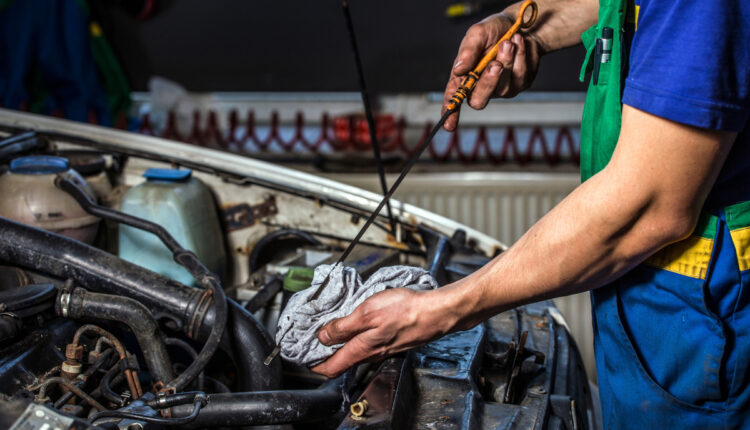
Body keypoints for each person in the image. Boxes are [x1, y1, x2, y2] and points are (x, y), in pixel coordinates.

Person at [312, 0, 750, 427]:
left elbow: (649, 205)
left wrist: (439, 310)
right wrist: (527, 26)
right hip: (650, 296)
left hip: (708, 317)